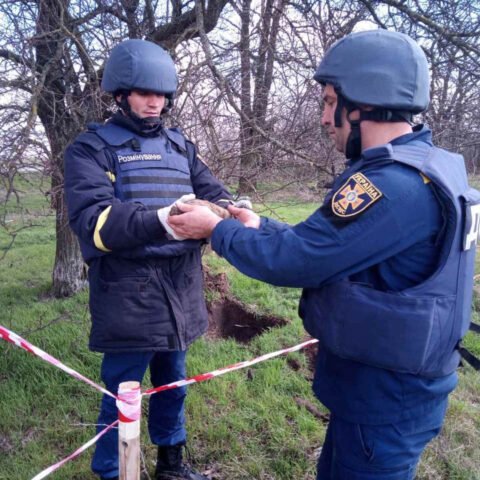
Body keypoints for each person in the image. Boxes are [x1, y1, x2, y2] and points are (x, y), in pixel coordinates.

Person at [168, 30, 480, 479]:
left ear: (363, 105)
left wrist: (216, 229)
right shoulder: (427, 169)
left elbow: (295, 261)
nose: (323, 118)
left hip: (383, 397)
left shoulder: (392, 186)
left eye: (330, 101)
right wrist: (259, 226)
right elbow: (334, 246)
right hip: (387, 389)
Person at [64, 39, 234, 480]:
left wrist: (229, 210)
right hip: (129, 292)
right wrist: (163, 218)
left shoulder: (181, 147)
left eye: (160, 94)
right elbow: (94, 222)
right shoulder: (92, 149)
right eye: (144, 93)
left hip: (181, 288)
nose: (154, 102)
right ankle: (110, 472)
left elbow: (213, 191)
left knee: (173, 385)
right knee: (122, 392)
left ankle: (171, 466)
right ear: (121, 94)